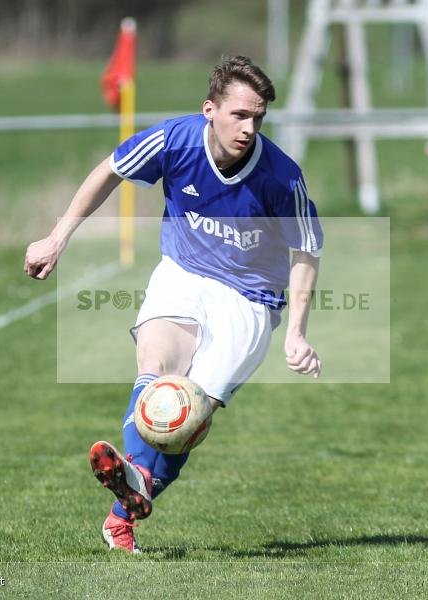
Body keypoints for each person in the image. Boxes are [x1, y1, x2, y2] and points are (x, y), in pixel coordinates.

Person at [24, 56, 323, 554]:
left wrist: (296, 332)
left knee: (190, 416)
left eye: (259, 118)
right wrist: (57, 238)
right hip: (183, 273)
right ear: (210, 109)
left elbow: (307, 249)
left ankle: (127, 503)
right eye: (239, 115)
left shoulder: (281, 177)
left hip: (249, 299)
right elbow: (109, 170)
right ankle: (134, 483)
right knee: (156, 368)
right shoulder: (175, 141)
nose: (250, 128)